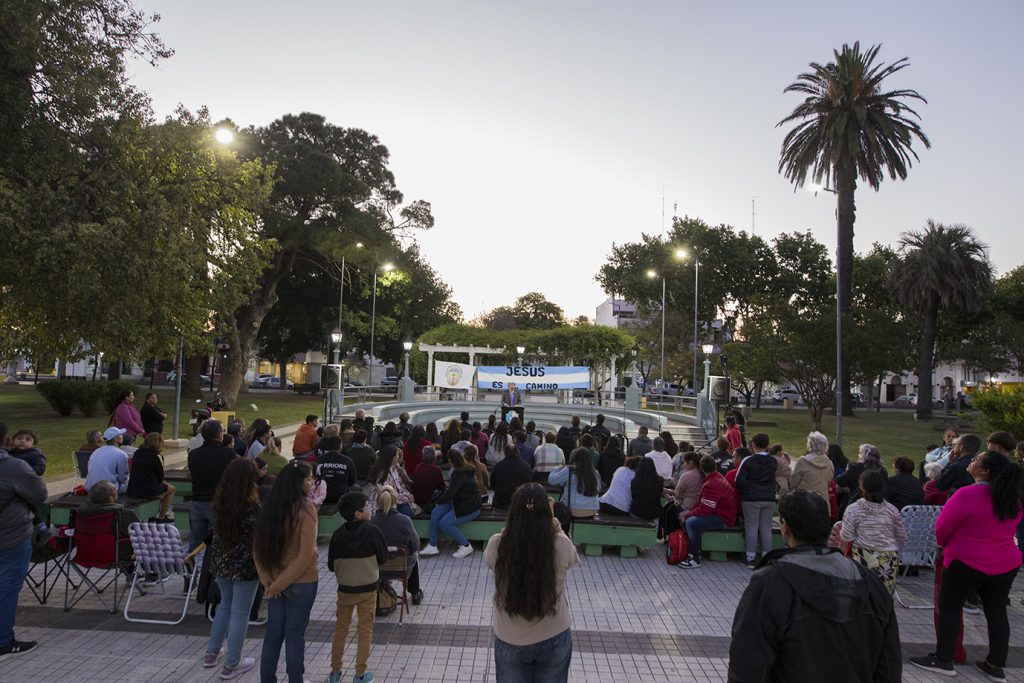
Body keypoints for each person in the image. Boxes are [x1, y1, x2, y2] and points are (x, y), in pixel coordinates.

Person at [727, 491, 901, 682]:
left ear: (785, 527)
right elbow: (889, 665)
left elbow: (747, 663)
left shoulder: (769, 584)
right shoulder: (871, 584)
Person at [910, 451, 1023, 680]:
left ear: (985, 471)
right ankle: (995, 663)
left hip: (965, 561)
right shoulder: (1012, 498)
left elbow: (942, 527)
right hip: (1004, 563)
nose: (970, 462)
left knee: (950, 608)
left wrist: (943, 545)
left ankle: (943, 659)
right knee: (997, 612)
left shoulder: (967, 494)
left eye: (975, 461)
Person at [485, 483, 578, 682]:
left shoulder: (497, 544)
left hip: (510, 637)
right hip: (554, 634)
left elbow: (490, 561)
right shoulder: (561, 544)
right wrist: (554, 524)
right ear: (548, 512)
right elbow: (572, 558)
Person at [254, 460, 319, 683]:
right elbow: (305, 555)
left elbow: (258, 547)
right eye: (309, 479)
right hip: (300, 582)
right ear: (298, 483)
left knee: (273, 635)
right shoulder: (306, 509)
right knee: (294, 636)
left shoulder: (270, 507)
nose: (312, 483)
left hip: (274, 582)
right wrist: (279, 584)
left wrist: (269, 581)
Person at [202, 459, 261, 680]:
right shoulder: (252, 506)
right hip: (244, 565)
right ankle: (232, 662)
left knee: (224, 607)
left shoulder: (221, 502)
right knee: (240, 613)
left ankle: (212, 652)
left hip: (221, 561)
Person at [328, 490, 389, 683]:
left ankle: (335, 672)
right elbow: (383, 557)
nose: (370, 508)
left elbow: (331, 565)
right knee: (365, 631)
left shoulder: (337, 535)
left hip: (345, 589)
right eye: (366, 506)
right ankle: (360, 674)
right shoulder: (373, 532)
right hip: (368, 589)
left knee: (341, 629)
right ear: (358, 513)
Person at [0, 422, 47, 658]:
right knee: (7, 587)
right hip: (10, 535)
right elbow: (39, 495)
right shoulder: (15, 467)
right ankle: (2, 641)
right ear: (7, 439)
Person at [839, 469, 907, 593]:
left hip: (862, 555)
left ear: (861, 486)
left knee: (863, 597)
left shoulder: (853, 509)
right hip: (889, 557)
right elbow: (901, 536)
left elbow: (846, 536)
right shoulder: (892, 510)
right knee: (884, 599)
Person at [420, 448, 481, 559]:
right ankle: (432, 545)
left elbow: (450, 493)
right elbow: (453, 492)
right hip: (459, 501)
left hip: (470, 507)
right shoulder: (462, 470)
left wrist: (437, 501)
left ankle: (466, 545)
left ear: (451, 461)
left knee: (444, 523)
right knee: (436, 512)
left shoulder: (460, 474)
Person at [186, 420, 237, 552]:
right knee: (218, 540)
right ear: (218, 434)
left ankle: (194, 568)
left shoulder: (193, 455)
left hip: (197, 500)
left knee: (196, 540)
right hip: (217, 501)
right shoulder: (228, 454)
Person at [678, 456, 737, 569]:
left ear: (701, 468)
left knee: (691, 522)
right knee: (689, 518)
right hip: (720, 513)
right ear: (714, 466)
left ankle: (694, 557)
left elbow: (705, 510)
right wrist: (690, 512)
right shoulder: (716, 477)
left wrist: (688, 514)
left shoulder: (712, 484)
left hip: (723, 518)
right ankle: (693, 550)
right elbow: (701, 502)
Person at [370, 484, 424, 606]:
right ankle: (415, 593)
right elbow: (415, 546)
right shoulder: (405, 521)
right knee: (413, 555)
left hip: (377, 569)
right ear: (395, 501)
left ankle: (382, 586)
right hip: (401, 568)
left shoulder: (371, 522)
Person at [735, 433, 779, 570]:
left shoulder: (748, 460)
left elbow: (739, 481)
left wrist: (746, 491)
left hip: (751, 497)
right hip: (769, 497)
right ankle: (767, 557)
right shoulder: (773, 461)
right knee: (766, 528)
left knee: (751, 527)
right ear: (767, 445)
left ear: (753, 445)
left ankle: (750, 558)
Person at [78, 481, 140, 574]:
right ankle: (152, 574)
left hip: (87, 556)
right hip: (117, 557)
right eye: (115, 492)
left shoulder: (80, 514)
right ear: (111, 498)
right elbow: (139, 535)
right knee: (147, 538)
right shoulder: (123, 514)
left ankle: (131, 574)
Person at [126, 432, 176, 519]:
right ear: (159, 443)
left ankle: (157, 505)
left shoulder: (137, 453)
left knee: (162, 489)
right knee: (171, 488)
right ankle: (161, 517)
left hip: (133, 489)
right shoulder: (157, 456)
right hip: (147, 490)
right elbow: (161, 477)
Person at [548, 449, 603, 522]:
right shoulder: (595, 473)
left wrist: (558, 468)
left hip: (573, 510)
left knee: (553, 503)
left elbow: (551, 480)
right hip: (592, 510)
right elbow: (598, 489)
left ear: (575, 459)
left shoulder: (570, 470)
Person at [366, 446, 415, 517]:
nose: (398, 457)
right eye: (397, 455)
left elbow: (400, 487)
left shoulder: (394, 468)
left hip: (395, 499)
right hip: (383, 503)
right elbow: (388, 496)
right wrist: (407, 498)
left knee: (409, 511)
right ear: (391, 457)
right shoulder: (382, 474)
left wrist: (407, 495)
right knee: (406, 513)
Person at [789, 431, 832, 502]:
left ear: (811, 445)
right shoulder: (829, 463)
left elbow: (793, 483)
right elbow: (828, 483)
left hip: (805, 501)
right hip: (822, 501)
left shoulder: (802, 461)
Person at [85, 426, 130, 494]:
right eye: (120, 435)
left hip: (90, 488)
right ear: (115, 438)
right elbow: (123, 478)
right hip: (107, 490)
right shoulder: (121, 454)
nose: (122, 436)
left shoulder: (96, 451)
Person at [316, 435, 357, 506]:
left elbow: (315, 478)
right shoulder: (347, 460)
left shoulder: (319, 460)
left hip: (322, 496)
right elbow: (352, 480)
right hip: (342, 495)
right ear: (340, 446)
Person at [492, 445, 532, 509]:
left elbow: (493, 485)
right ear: (518, 452)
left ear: (505, 453)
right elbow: (529, 485)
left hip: (500, 502)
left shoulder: (497, 466)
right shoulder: (526, 466)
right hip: (520, 502)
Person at [629, 457, 664, 521]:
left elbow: (633, 496)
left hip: (637, 513)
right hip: (654, 513)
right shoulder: (660, 481)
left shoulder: (634, 482)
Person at [411, 446, 445, 510]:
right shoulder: (436, 470)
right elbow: (442, 487)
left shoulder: (418, 467)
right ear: (434, 457)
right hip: (429, 500)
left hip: (417, 500)